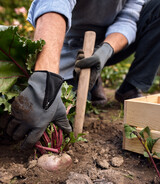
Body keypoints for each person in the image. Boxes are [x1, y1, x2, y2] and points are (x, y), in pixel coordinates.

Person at [6, 0, 160, 149]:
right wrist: (46, 78)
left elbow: (128, 19)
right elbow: (55, 2)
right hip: (69, 43)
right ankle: (88, 81)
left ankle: (130, 87)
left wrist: (106, 50)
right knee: (63, 111)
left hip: (107, 42)